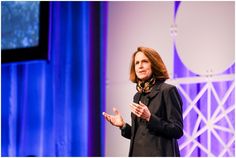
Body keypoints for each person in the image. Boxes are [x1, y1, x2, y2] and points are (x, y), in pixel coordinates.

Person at [103, 47, 183, 157]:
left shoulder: (167, 91)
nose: (140, 66)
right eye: (137, 63)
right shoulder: (138, 96)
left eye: (144, 61)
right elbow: (141, 135)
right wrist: (123, 126)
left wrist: (150, 118)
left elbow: (177, 130)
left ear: (154, 64)